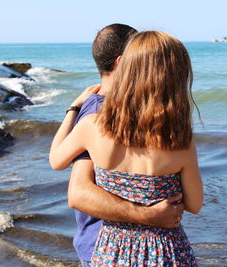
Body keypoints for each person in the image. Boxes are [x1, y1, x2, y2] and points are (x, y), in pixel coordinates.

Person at [50, 31, 203, 265]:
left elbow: (56, 160)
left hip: (111, 250)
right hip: (167, 251)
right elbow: (194, 204)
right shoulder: (180, 140)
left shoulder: (92, 126)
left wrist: (73, 108)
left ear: (127, 70)